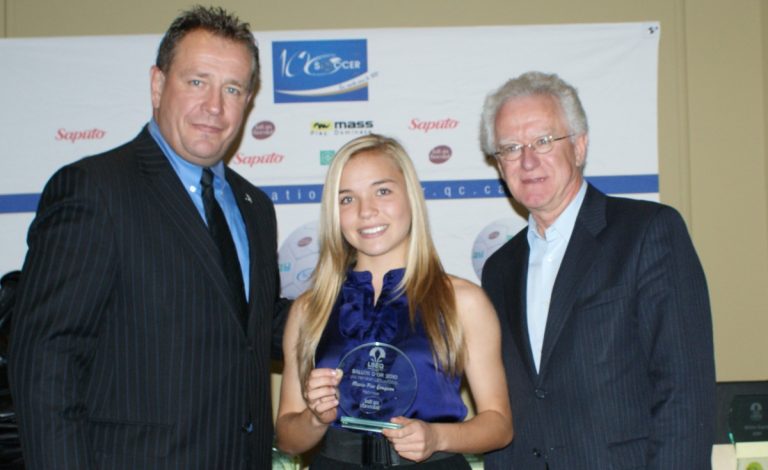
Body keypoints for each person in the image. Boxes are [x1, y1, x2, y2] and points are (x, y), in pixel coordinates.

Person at [8, 6, 289, 470]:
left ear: (248, 101)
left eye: (232, 88)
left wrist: (374, 314)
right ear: (158, 85)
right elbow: (46, 363)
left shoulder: (255, 207)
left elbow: (252, 327)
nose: (214, 106)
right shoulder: (96, 189)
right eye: (197, 81)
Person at [478, 71, 716, 469]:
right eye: (511, 148)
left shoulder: (648, 233)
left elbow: (685, 393)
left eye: (543, 141)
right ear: (499, 164)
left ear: (579, 145)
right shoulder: (498, 269)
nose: (528, 160)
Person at [275, 134, 513, 468]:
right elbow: (286, 438)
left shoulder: (462, 301)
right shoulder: (309, 309)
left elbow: (499, 425)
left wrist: (437, 437)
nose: (366, 211)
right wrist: (315, 418)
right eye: (347, 199)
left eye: (382, 191)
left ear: (411, 198)